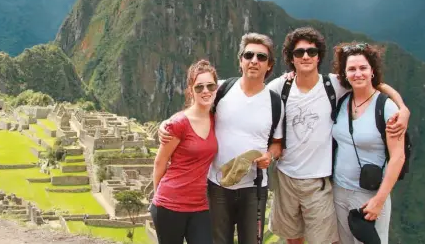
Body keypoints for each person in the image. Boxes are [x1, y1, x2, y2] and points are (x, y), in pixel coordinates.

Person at [266, 27, 410, 244]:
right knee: (297, 237)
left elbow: (372, 84)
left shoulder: (333, 85)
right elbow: (257, 100)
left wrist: (402, 108)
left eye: (311, 52)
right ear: (291, 58)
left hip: (329, 184)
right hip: (309, 182)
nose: (306, 56)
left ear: (319, 56)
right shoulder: (281, 86)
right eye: (299, 53)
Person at [159, 32, 285, 244]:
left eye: (261, 57)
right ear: (241, 61)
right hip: (217, 187)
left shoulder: (274, 102)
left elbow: (278, 144)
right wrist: (166, 124)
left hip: (254, 188)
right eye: (249, 55)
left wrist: (269, 156)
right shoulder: (222, 90)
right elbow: (194, 111)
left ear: (269, 65)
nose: (254, 60)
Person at [331, 42, 406, 244]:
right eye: (352, 69)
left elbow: (398, 157)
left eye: (363, 68)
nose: (358, 74)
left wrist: (379, 200)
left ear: (372, 71)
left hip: (369, 195)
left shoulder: (386, 108)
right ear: (344, 74)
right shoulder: (343, 101)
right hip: (339, 190)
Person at [150, 59, 219, 244]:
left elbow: (245, 84)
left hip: (199, 205)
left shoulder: (216, 119)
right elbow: (160, 162)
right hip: (170, 204)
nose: (205, 91)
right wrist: (160, 198)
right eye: (199, 87)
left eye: (210, 86)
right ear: (191, 91)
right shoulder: (179, 123)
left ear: (216, 88)